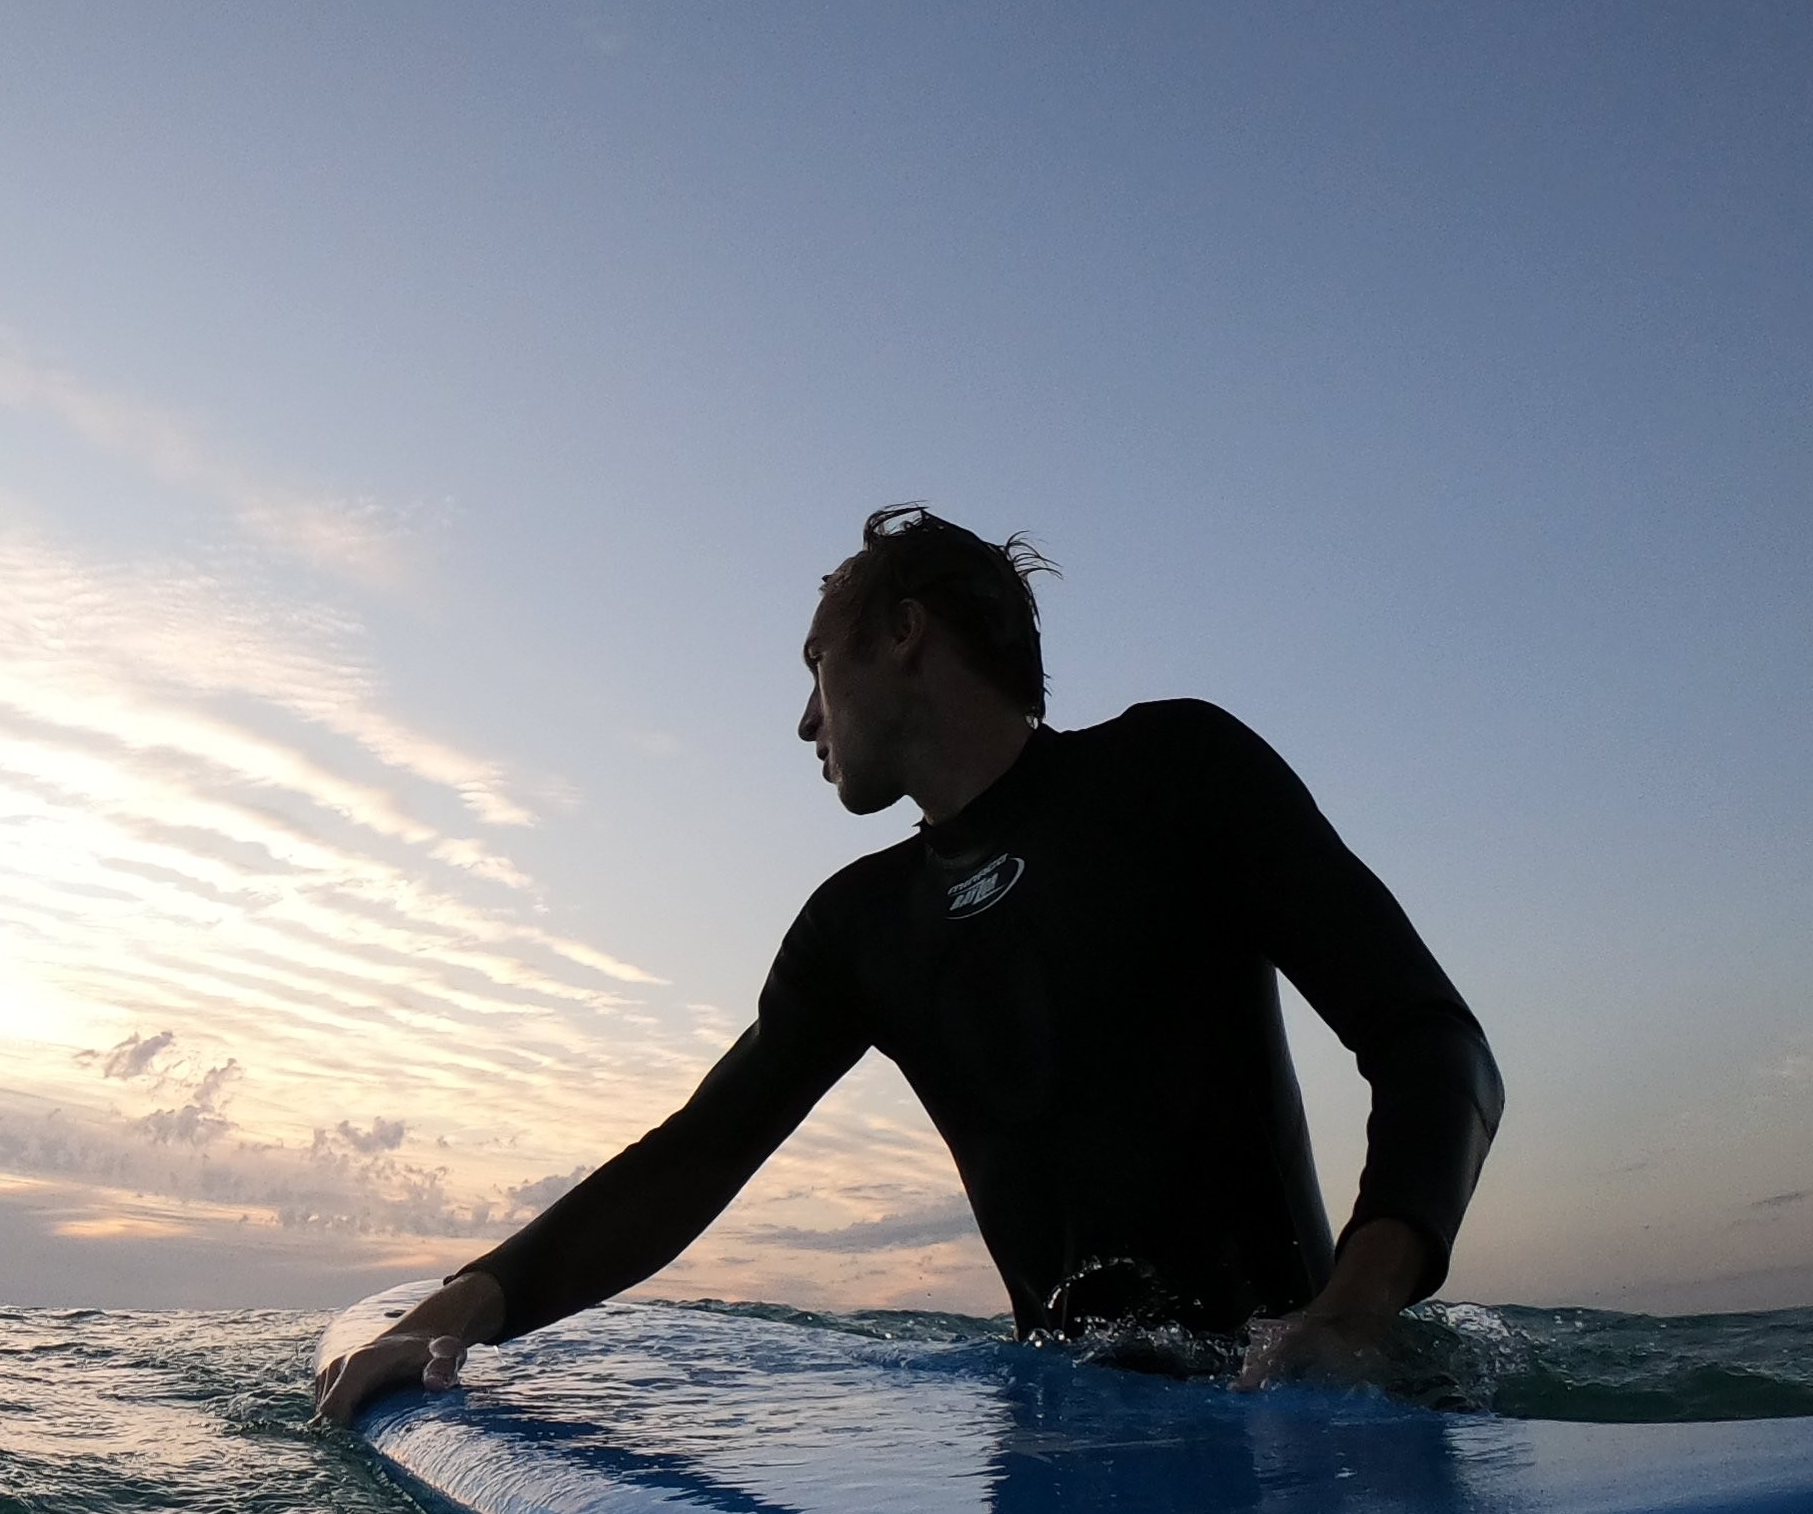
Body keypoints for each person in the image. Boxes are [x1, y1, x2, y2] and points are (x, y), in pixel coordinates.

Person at [316, 507, 1500, 1424]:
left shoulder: (1178, 774)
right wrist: (455, 1312)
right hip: (1066, 1437)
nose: (802, 721)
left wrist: (1353, 1313)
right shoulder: (858, 926)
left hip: (1299, 1415)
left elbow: (1430, 1041)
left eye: (813, 662)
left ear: (901, 632)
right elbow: (695, 1155)